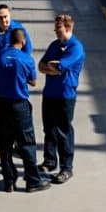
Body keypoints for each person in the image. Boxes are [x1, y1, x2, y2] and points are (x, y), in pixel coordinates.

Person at [0, 28, 49, 193]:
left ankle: (9, 181)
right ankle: (33, 181)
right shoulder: (26, 59)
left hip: (2, 105)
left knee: (5, 145)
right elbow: (33, 82)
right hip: (20, 106)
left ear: (9, 40)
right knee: (27, 144)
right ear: (23, 41)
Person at [38, 14, 85, 185]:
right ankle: (50, 161)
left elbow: (60, 67)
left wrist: (53, 67)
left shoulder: (76, 48)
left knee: (64, 132)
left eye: (58, 28)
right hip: (49, 93)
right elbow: (41, 65)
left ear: (68, 28)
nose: (55, 31)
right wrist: (53, 67)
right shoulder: (54, 45)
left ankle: (66, 167)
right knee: (49, 128)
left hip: (65, 96)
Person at [0, 4, 32, 150]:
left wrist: (19, 67)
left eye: (6, 17)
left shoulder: (18, 30)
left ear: (10, 16)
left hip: (13, 75)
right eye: (1, 17)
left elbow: (27, 50)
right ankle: (1, 136)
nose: (4, 20)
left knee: (16, 107)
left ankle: (17, 140)